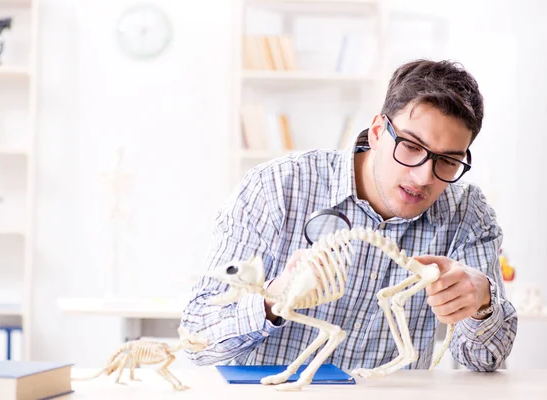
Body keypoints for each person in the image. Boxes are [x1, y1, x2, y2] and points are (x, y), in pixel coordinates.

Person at [181, 59, 518, 372]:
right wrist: (274, 297)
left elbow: (485, 360)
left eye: (448, 160)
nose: (423, 178)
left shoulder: (468, 214)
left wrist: (482, 303)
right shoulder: (275, 187)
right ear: (376, 131)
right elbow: (198, 339)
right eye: (411, 147)